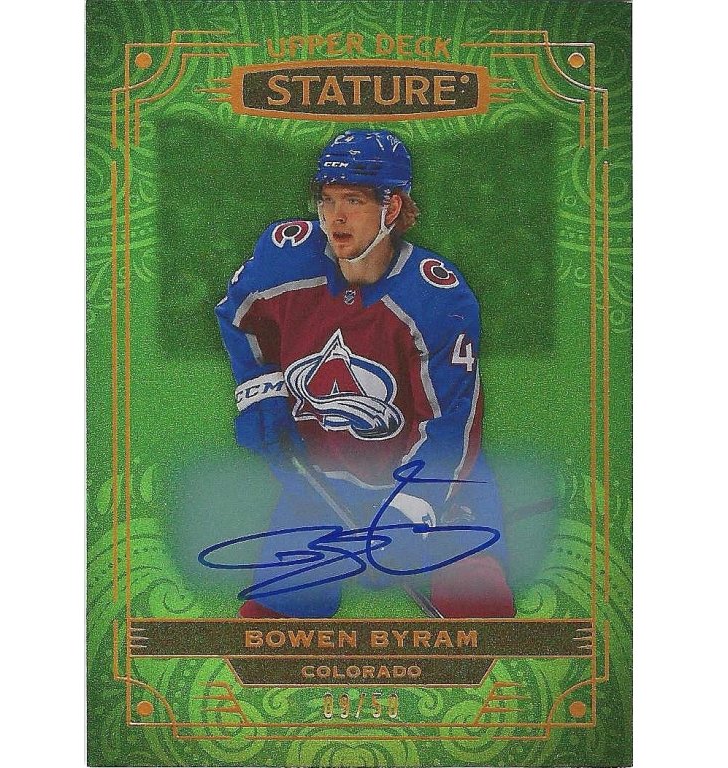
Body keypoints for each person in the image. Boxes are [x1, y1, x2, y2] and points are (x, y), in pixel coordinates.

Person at [215, 129, 515, 619]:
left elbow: (452, 423)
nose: (335, 216)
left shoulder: (437, 299)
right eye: (327, 199)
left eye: (353, 201)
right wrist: (260, 390)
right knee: (267, 627)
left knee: (479, 602)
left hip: (430, 471)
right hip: (320, 476)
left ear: (391, 208)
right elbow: (237, 315)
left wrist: (413, 507)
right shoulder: (285, 259)